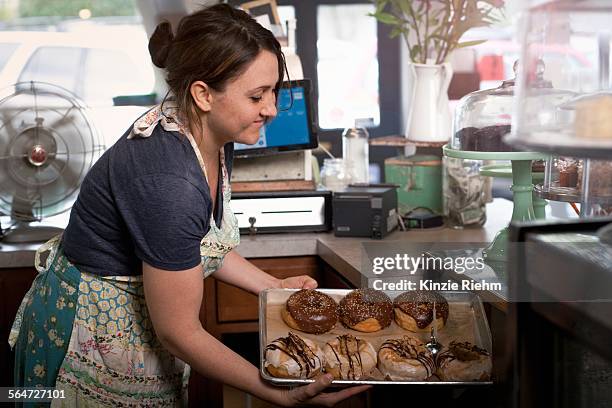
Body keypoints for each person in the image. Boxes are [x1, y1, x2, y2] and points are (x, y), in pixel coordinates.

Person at [9, 4, 369, 407]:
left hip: (136, 334)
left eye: (273, 92)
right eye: (256, 96)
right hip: (86, 335)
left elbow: (195, 244)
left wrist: (271, 287)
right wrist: (280, 394)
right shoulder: (168, 179)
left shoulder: (210, 134)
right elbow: (179, 331)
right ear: (203, 94)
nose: (270, 108)